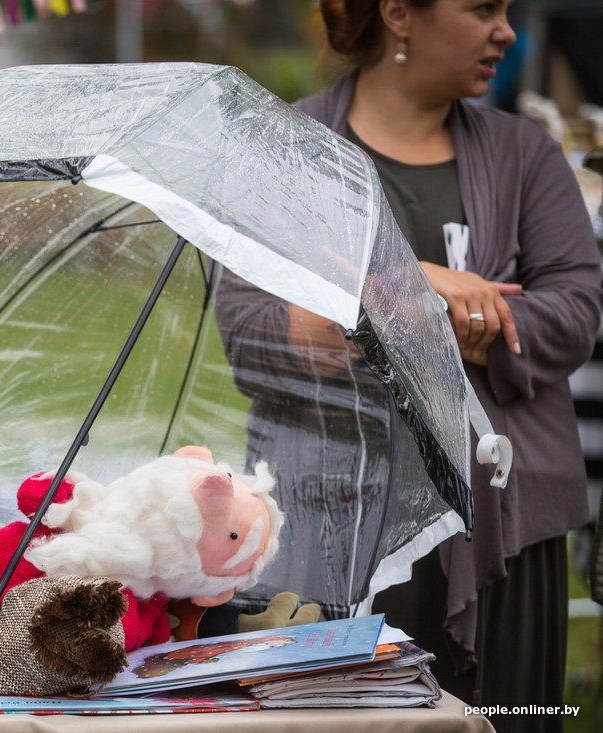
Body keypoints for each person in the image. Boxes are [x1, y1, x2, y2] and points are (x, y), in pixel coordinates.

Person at [217, 2, 601, 731]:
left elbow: (576, 310)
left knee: (507, 717)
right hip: (328, 533)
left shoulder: (528, 156)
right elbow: (253, 331)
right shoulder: (290, 153)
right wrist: (426, 285)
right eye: (483, 8)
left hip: (502, 533)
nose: (508, 33)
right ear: (398, 12)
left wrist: (380, 302)